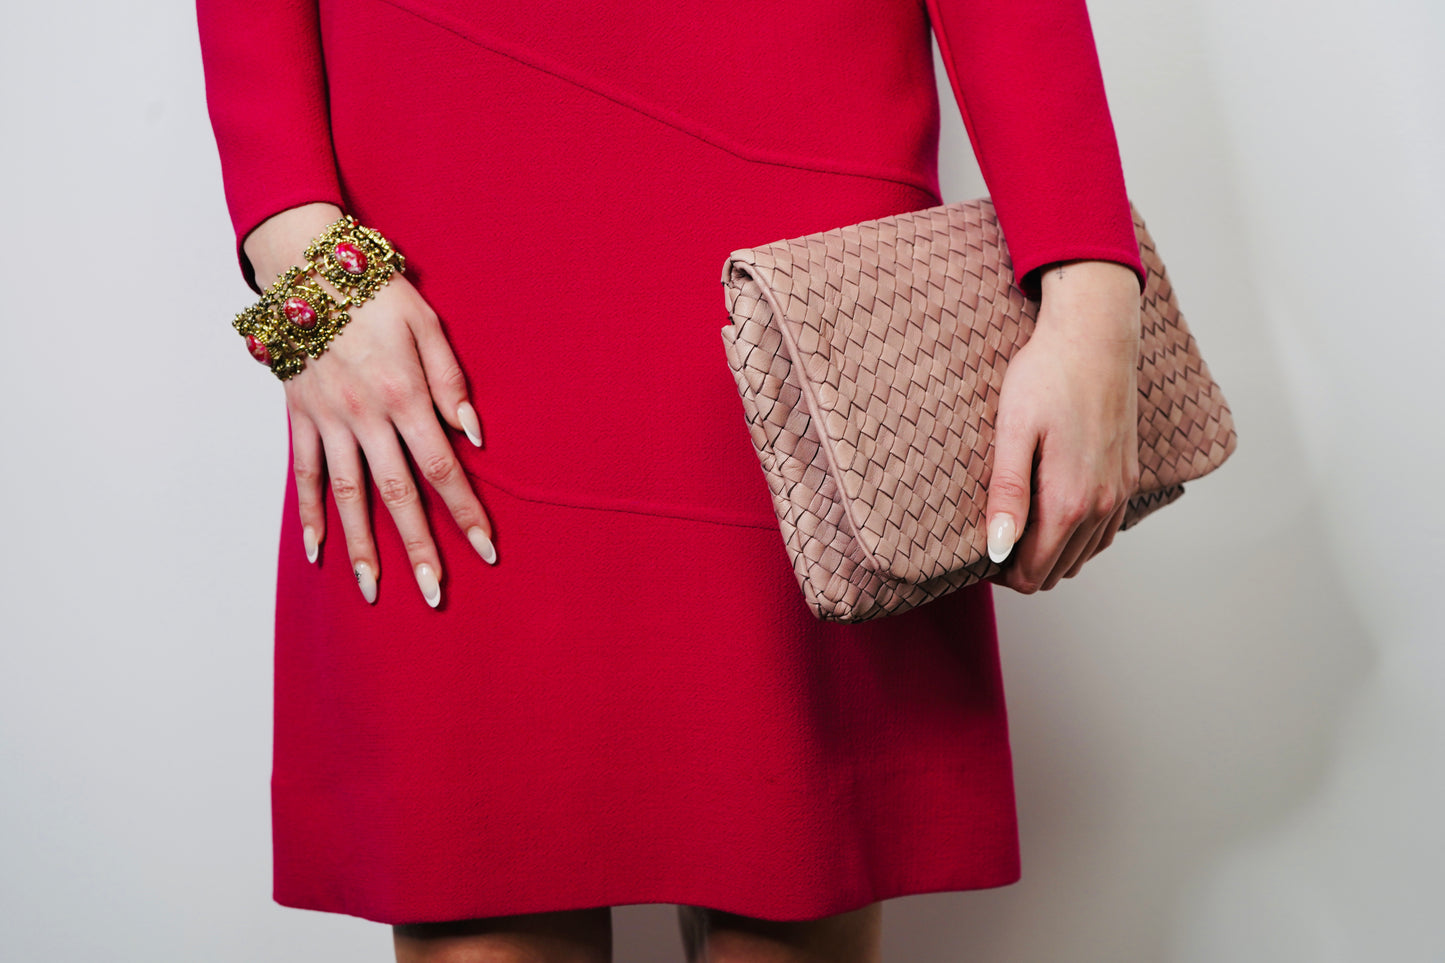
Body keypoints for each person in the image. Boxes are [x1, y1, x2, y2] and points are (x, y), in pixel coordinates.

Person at [195, 0, 1146, 959]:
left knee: (790, 886)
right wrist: (298, 255)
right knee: (478, 891)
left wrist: (1090, 290)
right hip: (433, 240)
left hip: (789, 267)